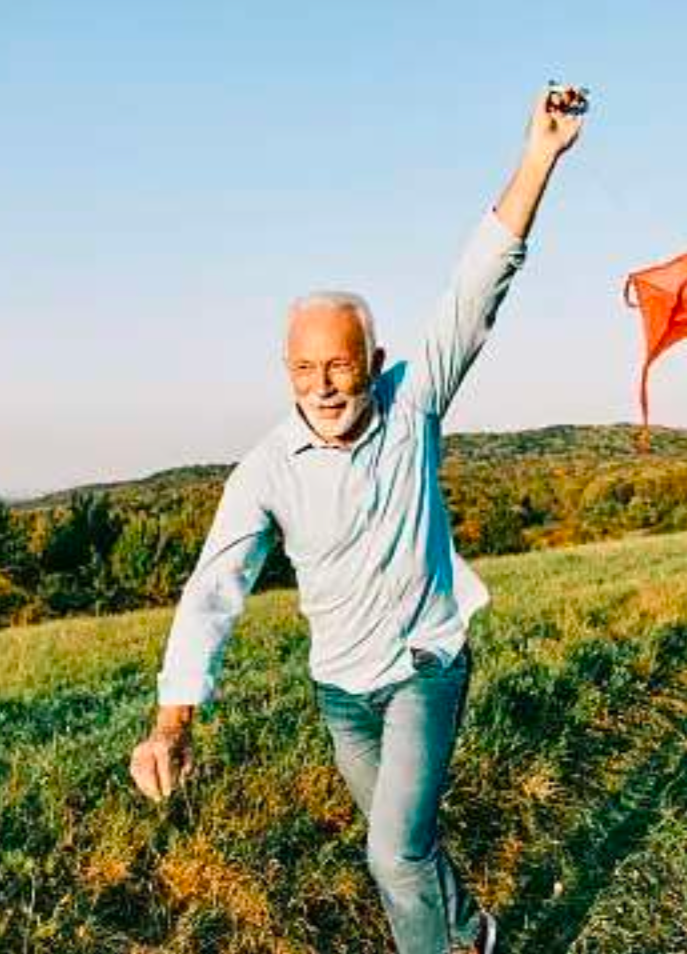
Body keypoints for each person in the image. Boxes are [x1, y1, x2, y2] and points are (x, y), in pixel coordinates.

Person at [129, 86, 586, 954]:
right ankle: (471, 931)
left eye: (340, 365)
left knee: (391, 853)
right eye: (305, 369)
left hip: (425, 666)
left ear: (373, 363)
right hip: (343, 693)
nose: (325, 386)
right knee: (404, 843)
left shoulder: (413, 401)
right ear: (285, 371)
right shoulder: (265, 470)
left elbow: (479, 283)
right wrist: (172, 721)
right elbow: (214, 590)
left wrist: (538, 156)